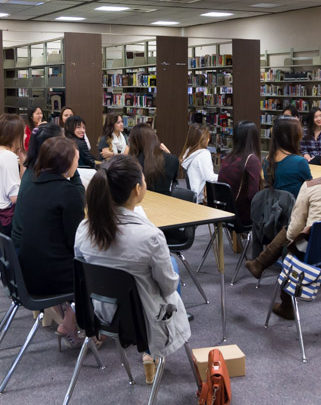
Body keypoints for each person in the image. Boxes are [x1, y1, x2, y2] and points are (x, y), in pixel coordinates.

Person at [75, 155, 190, 382]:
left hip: (102, 316)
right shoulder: (151, 237)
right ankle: (150, 355)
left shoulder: (84, 229)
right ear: (137, 189)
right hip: (144, 325)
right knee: (172, 272)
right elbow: (168, 286)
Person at [245, 141, 321, 320]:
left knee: (291, 238)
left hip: (312, 261)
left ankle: (285, 302)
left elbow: (293, 231)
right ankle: (259, 264)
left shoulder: (310, 187)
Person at [11, 136, 85, 348]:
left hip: (27, 271)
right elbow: (76, 243)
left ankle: (69, 319)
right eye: (76, 159)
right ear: (65, 163)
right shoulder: (67, 192)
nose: (77, 164)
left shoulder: (32, 182)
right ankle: (97, 332)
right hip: (52, 279)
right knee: (105, 268)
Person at [217, 120, 262, 226]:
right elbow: (253, 196)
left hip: (224, 212)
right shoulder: (251, 160)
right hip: (242, 215)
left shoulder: (227, 158)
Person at [265, 116, 312, 198]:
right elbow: (310, 189)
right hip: (295, 208)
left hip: (273, 208)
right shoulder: (299, 162)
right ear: (294, 136)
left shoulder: (267, 160)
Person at [127, 123, 179, 195]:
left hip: (140, 201)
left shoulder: (131, 163)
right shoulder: (173, 160)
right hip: (166, 202)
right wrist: (169, 154)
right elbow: (173, 182)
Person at [180, 124, 217, 204]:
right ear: (203, 139)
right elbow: (210, 178)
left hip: (191, 198)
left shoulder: (188, 152)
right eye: (207, 137)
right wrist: (224, 176)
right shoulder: (204, 154)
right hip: (199, 200)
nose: (208, 140)